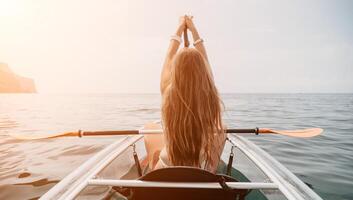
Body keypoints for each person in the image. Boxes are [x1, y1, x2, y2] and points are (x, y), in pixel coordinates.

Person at [143, 16, 226, 173]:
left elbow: (169, 57)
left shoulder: (167, 92)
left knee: (149, 127)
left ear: (176, 70)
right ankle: (212, 169)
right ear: (203, 72)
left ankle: (153, 168)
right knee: (222, 128)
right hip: (201, 167)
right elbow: (205, 61)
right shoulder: (210, 95)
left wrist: (180, 28)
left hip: (166, 166)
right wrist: (193, 29)